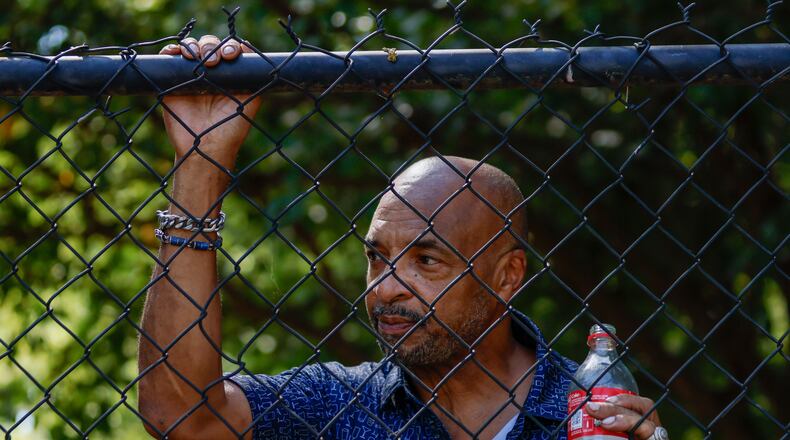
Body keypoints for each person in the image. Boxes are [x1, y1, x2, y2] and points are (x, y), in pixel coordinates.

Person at [137, 35, 668, 440]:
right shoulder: (340, 404)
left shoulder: (587, 413)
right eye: (377, 258)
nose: (386, 287)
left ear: (508, 275)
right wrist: (202, 161)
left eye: (427, 260)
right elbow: (183, 416)